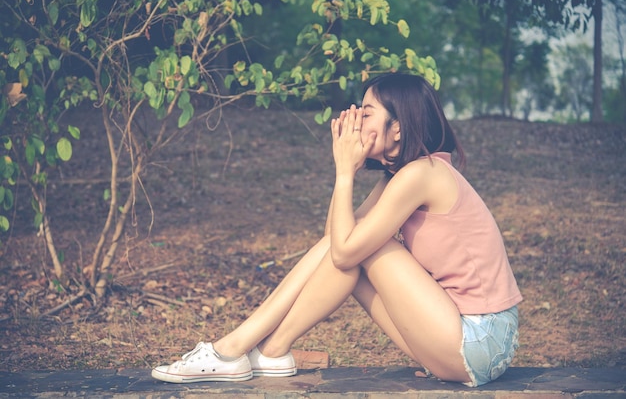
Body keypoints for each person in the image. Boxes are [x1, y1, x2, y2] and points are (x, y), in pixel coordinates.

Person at [151, 72, 522, 387]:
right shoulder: (400, 179)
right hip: (456, 342)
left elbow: (344, 250)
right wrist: (345, 172)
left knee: (363, 248)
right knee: (352, 245)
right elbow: (334, 242)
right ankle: (271, 351)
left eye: (368, 112)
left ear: (398, 128)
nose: (357, 119)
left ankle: (231, 349)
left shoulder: (423, 173)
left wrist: (345, 172)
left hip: (480, 340)